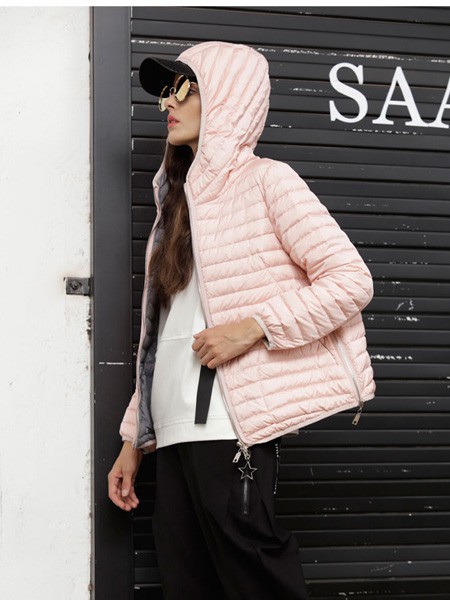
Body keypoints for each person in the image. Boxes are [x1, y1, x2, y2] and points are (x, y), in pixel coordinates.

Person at [108, 40, 376, 599]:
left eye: (182, 88)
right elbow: (160, 339)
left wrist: (254, 327)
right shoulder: (174, 206)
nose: (166, 103)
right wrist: (134, 439)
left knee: (257, 581)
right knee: (186, 585)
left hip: (230, 428)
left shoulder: (267, 181)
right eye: (165, 92)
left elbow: (351, 280)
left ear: (225, 97)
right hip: (173, 434)